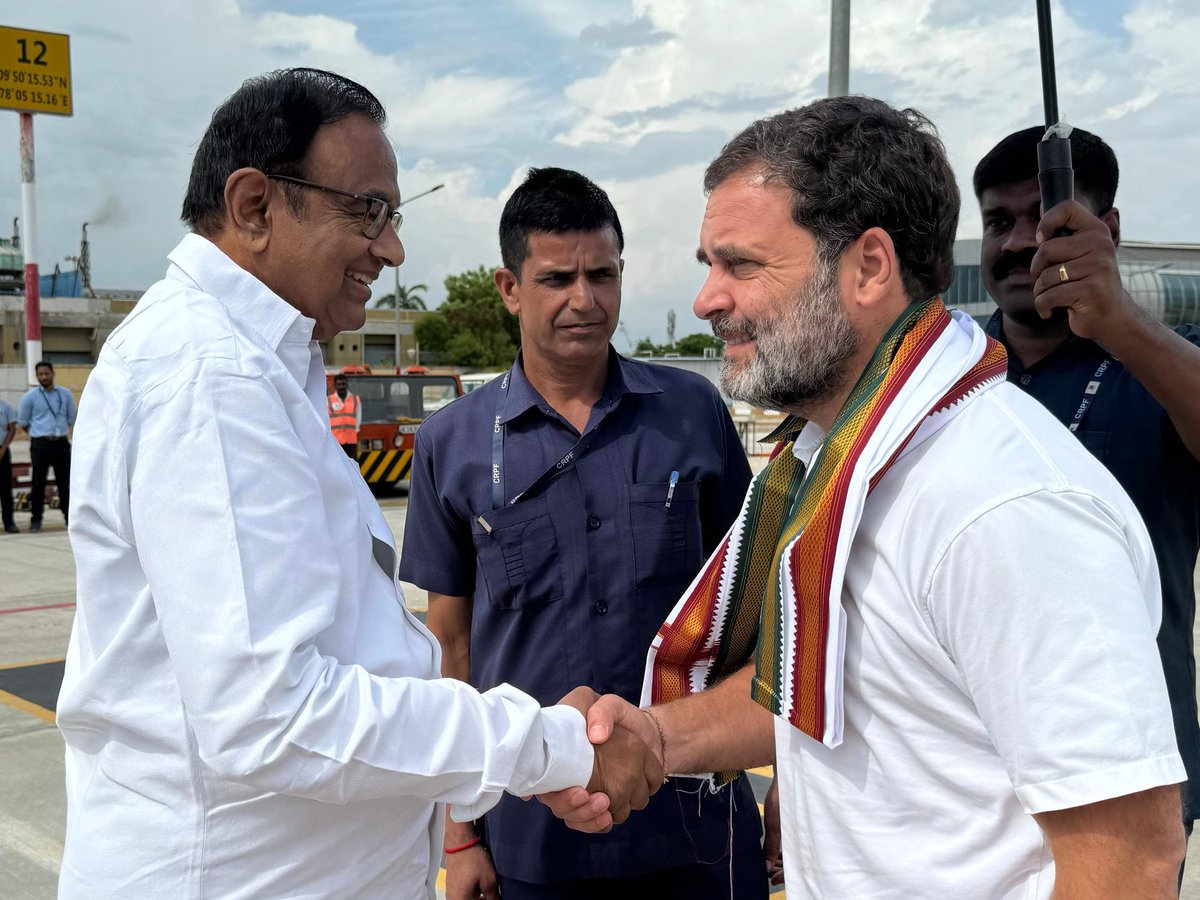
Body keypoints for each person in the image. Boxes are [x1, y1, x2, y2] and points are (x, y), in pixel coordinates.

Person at [542, 96, 1187, 897]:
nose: (708, 299)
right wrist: (652, 736)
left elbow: (1128, 858)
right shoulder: (840, 465)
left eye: (741, 264)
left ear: (869, 268)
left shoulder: (1006, 504)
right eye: (710, 264)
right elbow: (828, 684)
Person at [57, 68, 662, 899]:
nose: (392, 247)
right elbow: (271, 714)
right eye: (367, 210)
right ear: (255, 206)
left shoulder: (262, 368)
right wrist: (550, 745)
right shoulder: (210, 377)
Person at [400, 166, 765, 900]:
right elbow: (452, 648)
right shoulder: (453, 443)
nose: (584, 299)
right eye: (557, 278)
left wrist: (789, 778)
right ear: (510, 289)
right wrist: (461, 832)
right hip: (533, 835)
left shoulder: (690, 414)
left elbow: (756, 615)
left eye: (602, 275)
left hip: (696, 825)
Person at [974, 127, 1200, 852]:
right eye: (995, 222)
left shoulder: (1165, 361)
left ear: (1106, 231)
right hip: (969, 775)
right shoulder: (941, 367)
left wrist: (1119, 323)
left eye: (1039, 221)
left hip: (1125, 776)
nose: (1015, 244)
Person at [16, 360, 75, 532]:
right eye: (40, 374)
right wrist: (38, 435)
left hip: (61, 443)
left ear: (52, 373)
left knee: (65, 484)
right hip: (40, 444)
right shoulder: (30, 397)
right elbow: (23, 423)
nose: (44, 377)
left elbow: (71, 418)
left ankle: (69, 519)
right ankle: (36, 520)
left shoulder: (65, 395)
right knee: (38, 483)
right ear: (37, 376)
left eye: (46, 373)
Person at [328, 372, 362, 457]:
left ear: (347, 385)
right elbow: (326, 420)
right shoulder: (328, 401)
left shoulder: (355, 399)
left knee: (352, 466)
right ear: (335, 386)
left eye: (343, 384)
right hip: (335, 442)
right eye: (339, 384)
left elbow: (358, 419)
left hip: (351, 442)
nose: (341, 386)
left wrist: (352, 432)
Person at [0, 397, 17, 533]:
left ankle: (9, 523)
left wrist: (3, 448)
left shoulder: (5, 407)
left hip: (2, 452)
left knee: (5, 489)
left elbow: (12, 429)